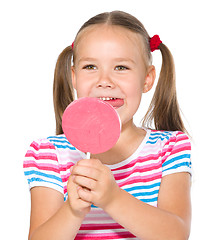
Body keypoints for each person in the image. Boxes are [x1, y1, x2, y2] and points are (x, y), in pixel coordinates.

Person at [23, 10, 192, 240]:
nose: (104, 81)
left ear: (147, 78)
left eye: (121, 67)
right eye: (90, 67)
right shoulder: (49, 154)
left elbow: (176, 235)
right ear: (74, 77)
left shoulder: (170, 149)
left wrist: (112, 197)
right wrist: (72, 211)